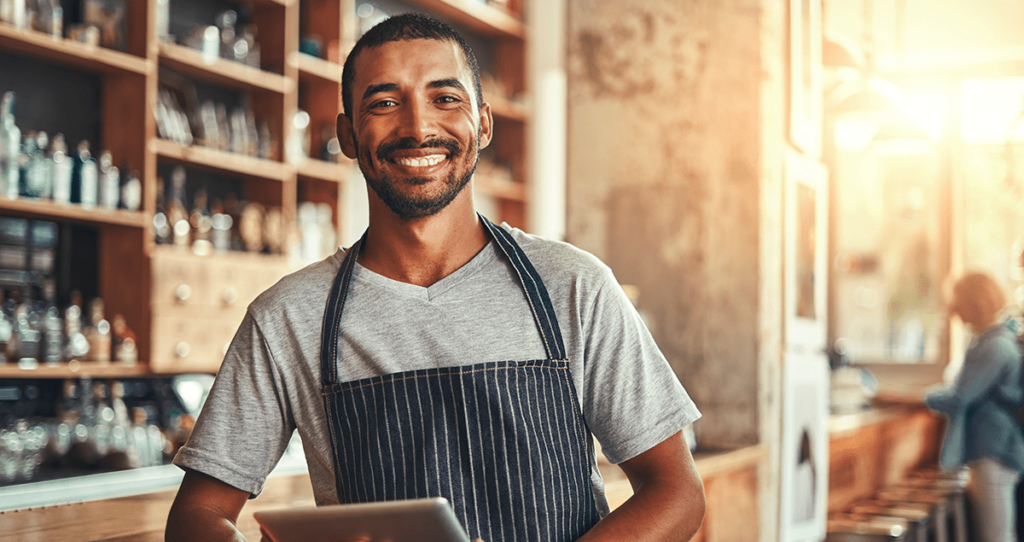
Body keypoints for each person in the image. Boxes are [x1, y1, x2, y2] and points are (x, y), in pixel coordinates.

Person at [165, 12, 705, 542]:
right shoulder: (288, 318)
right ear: (349, 135)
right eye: (384, 102)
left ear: (484, 123)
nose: (418, 127)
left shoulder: (574, 287)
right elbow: (199, 513)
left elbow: (676, 490)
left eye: (445, 99)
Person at [926, 271, 1024, 542]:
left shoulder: (995, 346)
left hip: (995, 451)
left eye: (958, 303)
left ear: (976, 302)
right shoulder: (990, 341)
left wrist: (920, 397)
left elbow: (959, 397)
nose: (953, 311)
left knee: (996, 536)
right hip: (994, 449)